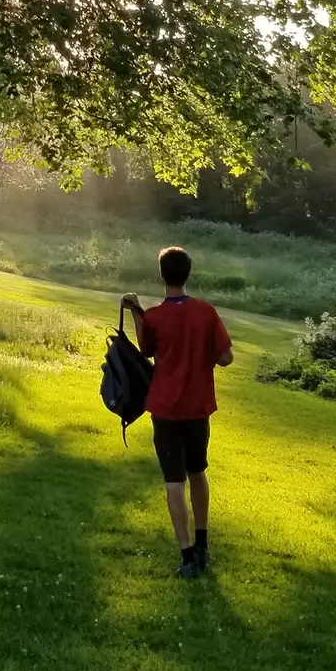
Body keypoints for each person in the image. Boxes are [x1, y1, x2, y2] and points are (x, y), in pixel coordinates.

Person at [123, 246, 233, 579]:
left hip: (165, 408)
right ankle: (202, 544)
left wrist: (136, 313)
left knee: (174, 483)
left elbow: (146, 349)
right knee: (198, 472)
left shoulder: (155, 316)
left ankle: (186, 558)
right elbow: (226, 357)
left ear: (162, 275)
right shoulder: (206, 312)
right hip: (197, 408)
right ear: (188, 273)